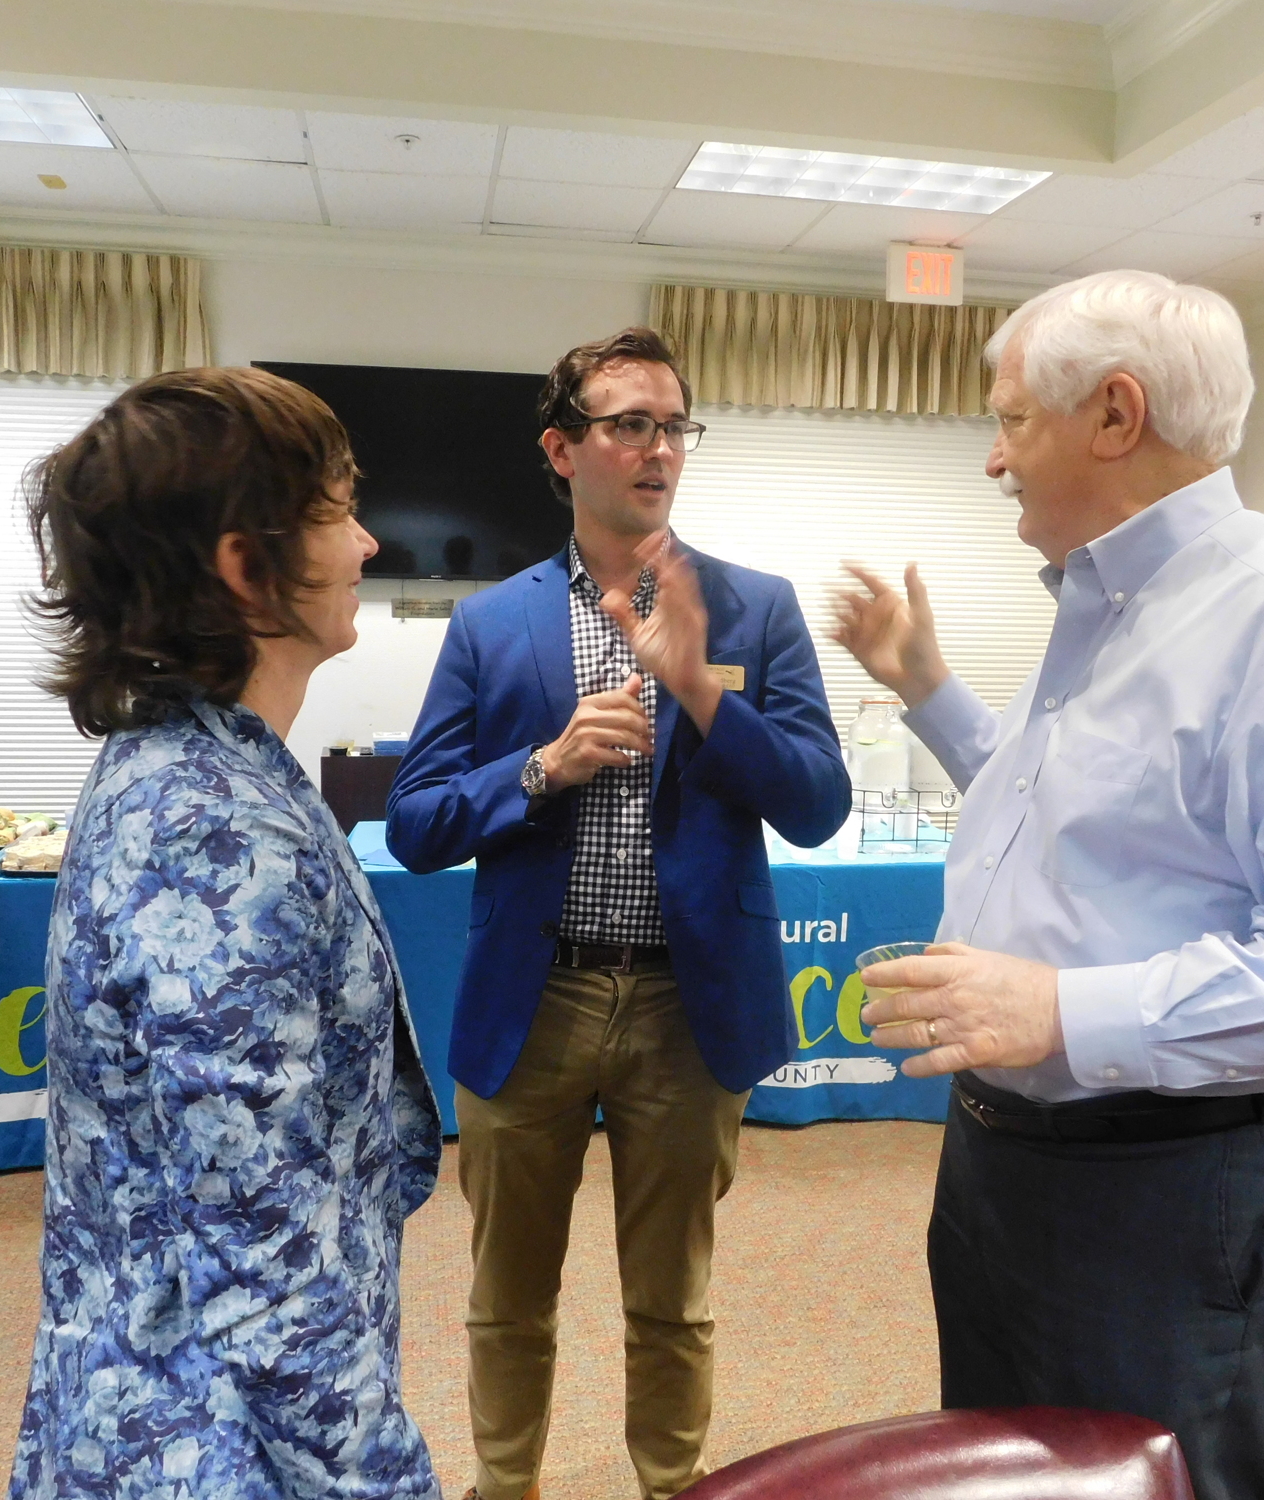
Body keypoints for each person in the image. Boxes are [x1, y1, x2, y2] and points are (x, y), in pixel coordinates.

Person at [832, 270, 1264, 1500]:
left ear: (1114, 415)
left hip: (1172, 1193)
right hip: (1006, 1169)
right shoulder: (1106, 606)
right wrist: (926, 691)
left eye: (1011, 419)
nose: (993, 459)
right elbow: (1082, 824)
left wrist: (1064, 1013)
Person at [387, 327, 850, 1500]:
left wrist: (699, 692)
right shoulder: (493, 624)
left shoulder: (752, 610)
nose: (657, 448)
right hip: (528, 1001)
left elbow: (815, 804)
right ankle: (505, 1486)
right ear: (562, 449)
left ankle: (674, 1487)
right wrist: (539, 767)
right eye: (628, 424)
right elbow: (418, 823)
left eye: (672, 426)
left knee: (672, 1301)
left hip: (685, 1010)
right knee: (506, 1299)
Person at [7, 366, 442, 1500]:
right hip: (206, 1438)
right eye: (337, 512)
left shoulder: (202, 765)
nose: (366, 547)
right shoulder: (207, 832)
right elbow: (264, 1258)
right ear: (246, 566)